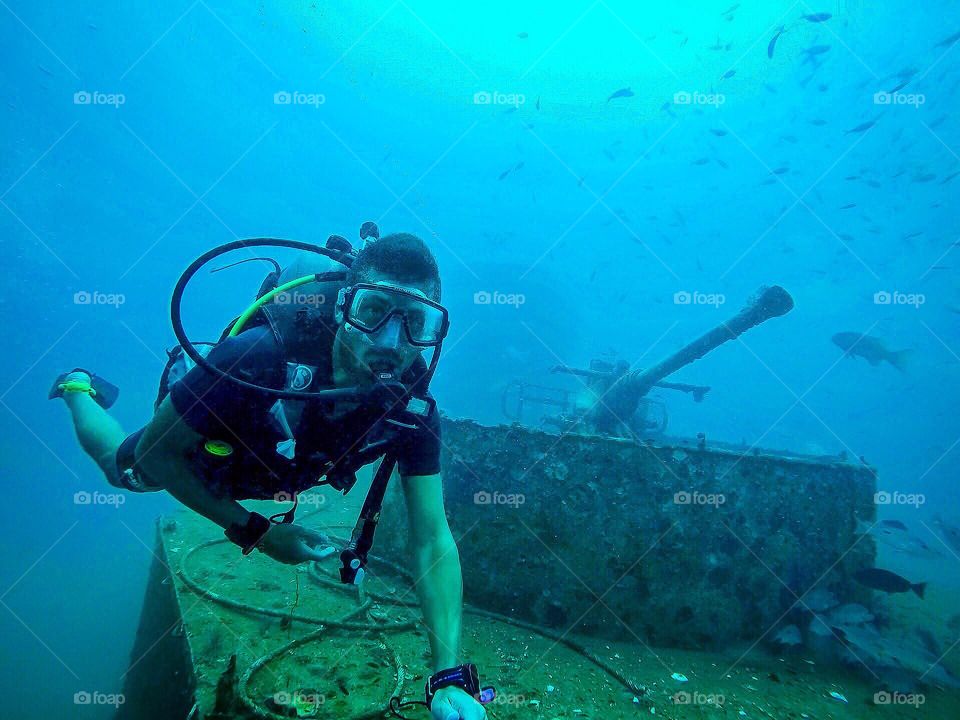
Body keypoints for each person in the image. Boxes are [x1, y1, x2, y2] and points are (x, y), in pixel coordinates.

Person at [50, 231, 487, 720]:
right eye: (373, 311)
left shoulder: (411, 411)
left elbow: (432, 538)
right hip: (209, 451)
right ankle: (77, 387)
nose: (390, 342)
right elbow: (156, 455)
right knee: (124, 471)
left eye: (415, 322)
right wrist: (257, 531)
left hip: (284, 468)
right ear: (345, 303)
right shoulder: (259, 354)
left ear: (436, 331)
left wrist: (448, 674)